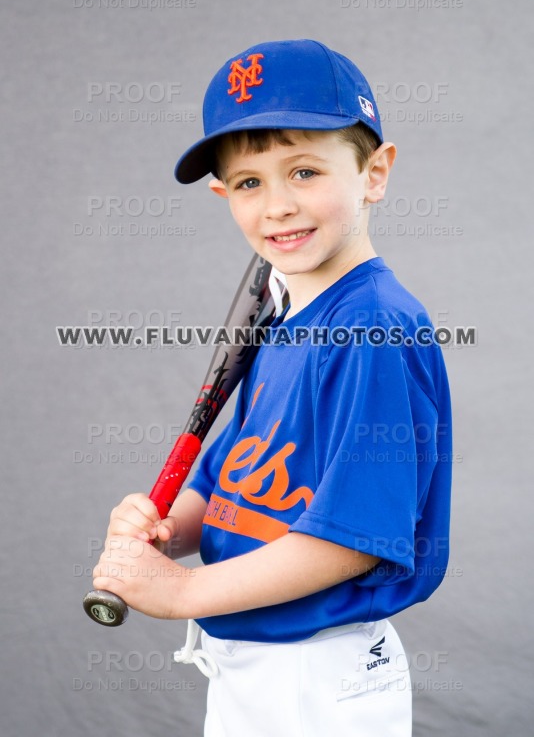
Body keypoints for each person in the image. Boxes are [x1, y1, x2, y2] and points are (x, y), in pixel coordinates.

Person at [93, 39, 452, 736]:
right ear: (224, 196)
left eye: (305, 170)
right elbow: (236, 472)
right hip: (251, 664)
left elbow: (352, 540)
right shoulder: (286, 312)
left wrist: (184, 589)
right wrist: (169, 531)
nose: (278, 205)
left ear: (375, 173)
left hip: (321, 676)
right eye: (251, 183)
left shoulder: (372, 328)